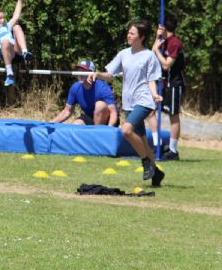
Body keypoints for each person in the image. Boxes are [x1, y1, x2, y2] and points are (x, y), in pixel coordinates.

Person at [88, 20, 165, 187]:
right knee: (142, 140)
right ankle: (157, 173)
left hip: (144, 100)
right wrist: (97, 74)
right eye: (128, 32)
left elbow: (151, 80)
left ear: (142, 37)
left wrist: (155, 95)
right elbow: (110, 75)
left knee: (126, 130)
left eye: (132, 33)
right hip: (128, 103)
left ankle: (145, 162)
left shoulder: (149, 56)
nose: (128, 35)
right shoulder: (124, 54)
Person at [148, 14, 185, 160]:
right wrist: (157, 42)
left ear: (163, 28)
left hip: (174, 84)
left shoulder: (175, 43)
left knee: (173, 115)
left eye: (159, 27)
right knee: (150, 111)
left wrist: (157, 50)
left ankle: (173, 150)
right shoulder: (162, 41)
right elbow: (152, 55)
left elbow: (166, 64)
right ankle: (158, 144)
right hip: (162, 83)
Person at [51, 59, 119, 126]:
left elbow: (113, 112)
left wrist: (110, 128)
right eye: (78, 71)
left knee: (99, 105)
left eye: (83, 71)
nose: (80, 74)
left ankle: (97, 132)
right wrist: (50, 123)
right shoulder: (75, 87)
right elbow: (67, 111)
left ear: (91, 72)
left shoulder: (102, 88)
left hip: (108, 120)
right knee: (76, 125)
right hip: (90, 117)